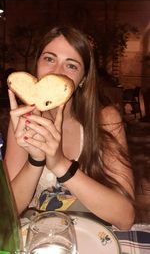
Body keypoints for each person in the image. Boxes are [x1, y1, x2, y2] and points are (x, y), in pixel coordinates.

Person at [5, 26, 135, 230]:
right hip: (40, 238)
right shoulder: (23, 121)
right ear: (37, 66)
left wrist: (59, 164)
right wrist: (35, 160)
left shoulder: (105, 119)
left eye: (71, 65)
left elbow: (126, 218)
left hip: (95, 239)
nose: (57, 72)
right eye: (49, 59)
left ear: (83, 79)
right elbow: (6, 213)